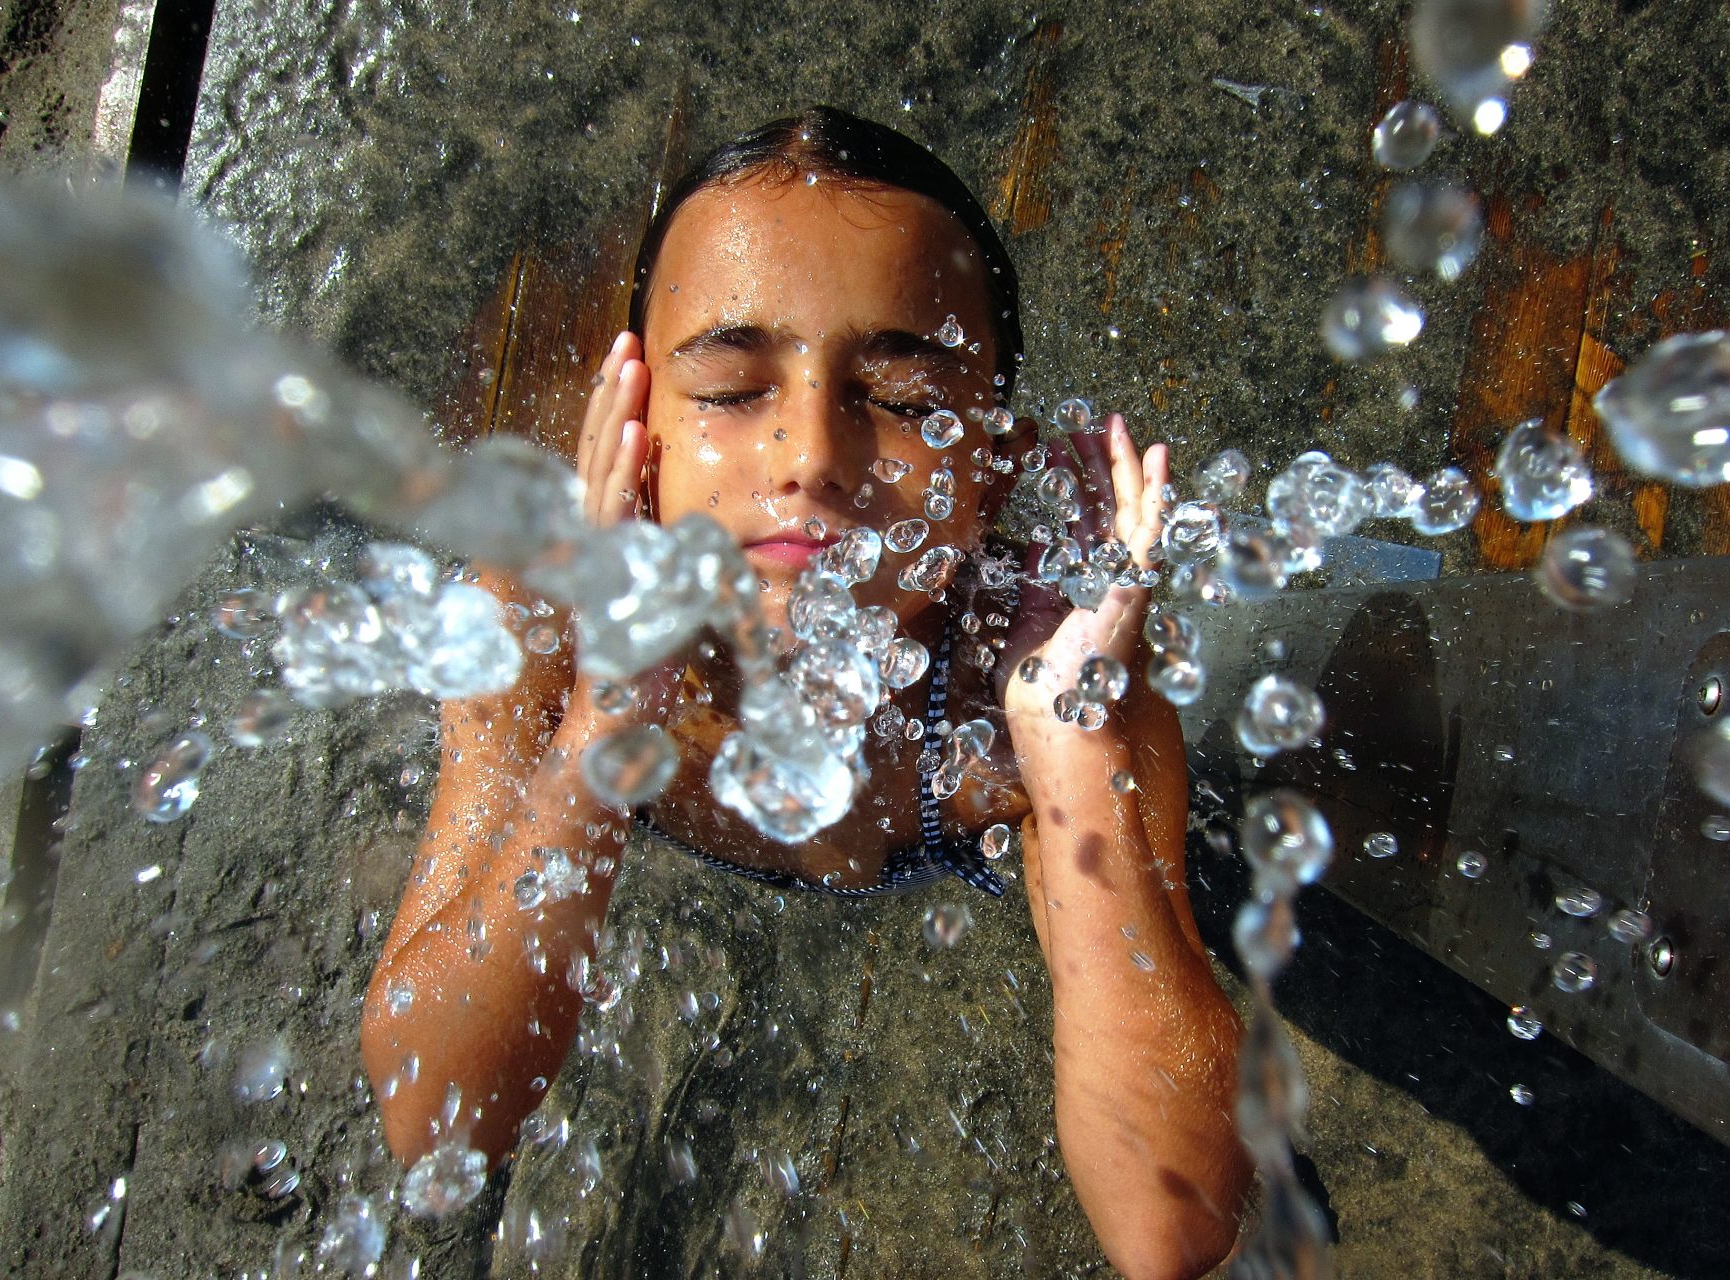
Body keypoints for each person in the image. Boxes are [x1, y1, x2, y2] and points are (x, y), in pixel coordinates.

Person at [361, 107, 1250, 1279]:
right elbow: (435, 1128)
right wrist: (607, 722)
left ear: (994, 467)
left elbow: (1171, 1227)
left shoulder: (1031, 677)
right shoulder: (538, 621)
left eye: (896, 395)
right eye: (730, 389)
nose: (811, 453)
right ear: (642, 434)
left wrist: (1070, 745)